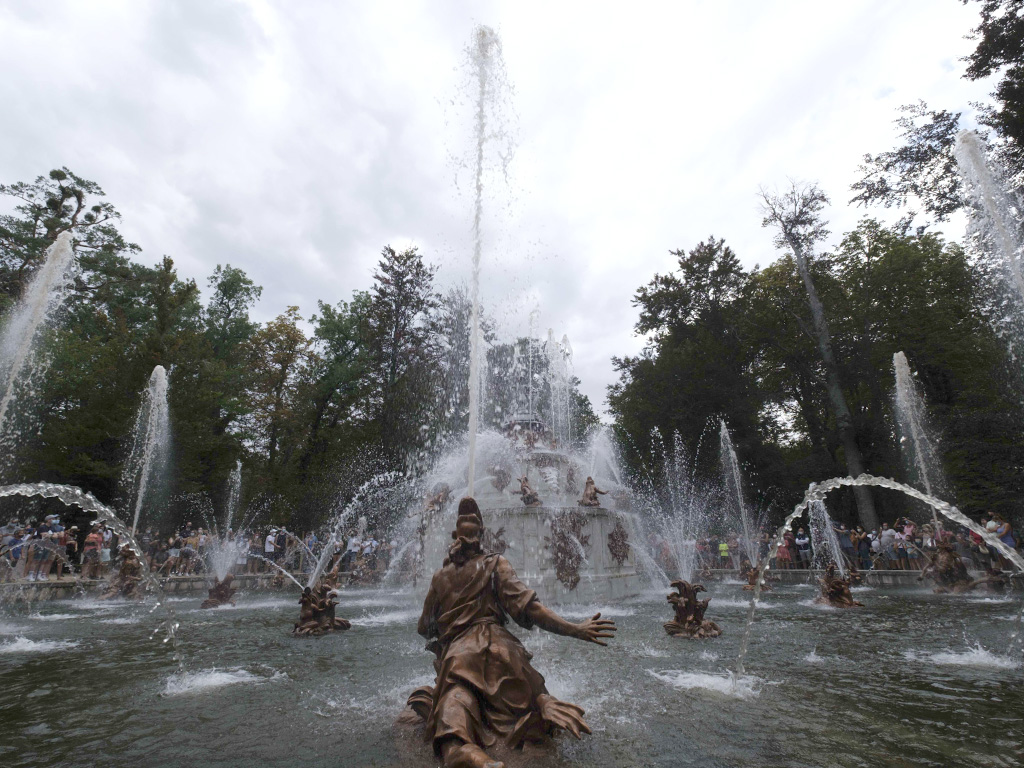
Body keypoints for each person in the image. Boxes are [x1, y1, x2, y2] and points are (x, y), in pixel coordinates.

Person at [405, 498, 616, 768]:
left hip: (460, 656)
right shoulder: (496, 564)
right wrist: (576, 629)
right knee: (525, 691)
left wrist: (447, 624)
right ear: (481, 535)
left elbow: (424, 628)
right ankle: (542, 703)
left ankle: (462, 751)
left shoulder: (440, 577)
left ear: (455, 537)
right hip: (502, 652)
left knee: (455, 701)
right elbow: (533, 609)